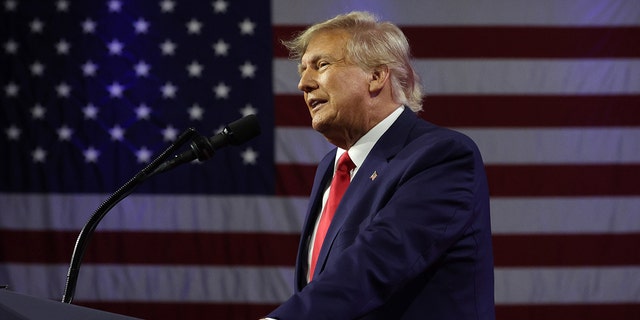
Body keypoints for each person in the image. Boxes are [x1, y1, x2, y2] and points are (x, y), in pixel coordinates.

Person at [262, 11, 495, 319]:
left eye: (321, 65)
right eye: (303, 70)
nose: (303, 84)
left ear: (375, 76)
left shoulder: (441, 156)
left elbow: (377, 261)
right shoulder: (330, 167)